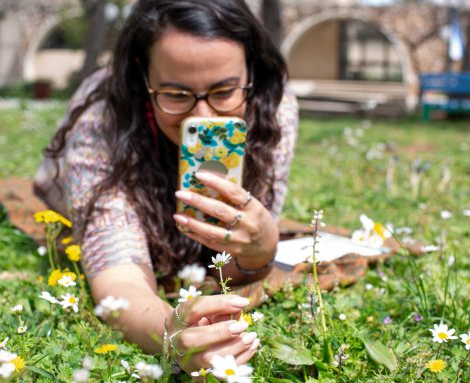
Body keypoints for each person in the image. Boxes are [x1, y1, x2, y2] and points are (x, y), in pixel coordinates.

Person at [34, 0, 298, 374]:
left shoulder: (274, 105)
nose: (202, 117)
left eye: (224, 91)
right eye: (176, 95)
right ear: (144, 77)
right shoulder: (102, 119)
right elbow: (117, 273)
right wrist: (169, 332)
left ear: (251, 69)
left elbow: (235, 257)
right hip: (78, 188)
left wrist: (261, 250)